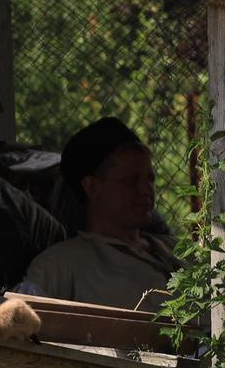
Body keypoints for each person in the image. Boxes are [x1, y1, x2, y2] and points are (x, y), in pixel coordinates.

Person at [21, 117, 180, 312]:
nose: (146, 190)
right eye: (131, 181)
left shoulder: (177, 250)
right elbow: (21, 318)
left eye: (150, 179)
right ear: (92, 187)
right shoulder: (61, 266)